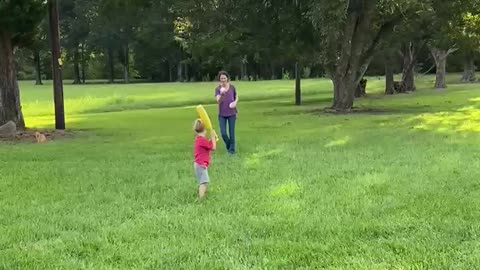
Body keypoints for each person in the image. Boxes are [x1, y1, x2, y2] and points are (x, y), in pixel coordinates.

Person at [214, 71, 238, 154]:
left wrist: (235, 103)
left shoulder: (232, 87)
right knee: (223, 133)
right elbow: (218, 100)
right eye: (221, 78)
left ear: (227, 78)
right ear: (219, 79)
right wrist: (221, 94)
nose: (223, 80)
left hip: (232, 113)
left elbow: (236, 97)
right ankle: (229, 145)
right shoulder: (218, 89)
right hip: (222, 114)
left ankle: (232, 150)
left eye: (224, 78)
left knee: (232, 133)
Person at [193, 119, 217, 200]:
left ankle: (202, 193)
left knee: (202, 181)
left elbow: (208, 146)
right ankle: (201, 198)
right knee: (203, 182)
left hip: (198, 164)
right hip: (201, 165)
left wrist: (212, 139)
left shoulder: (199, 139)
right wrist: (213, 137)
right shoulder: (202, 140)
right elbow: (213, 148)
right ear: (205, 130)